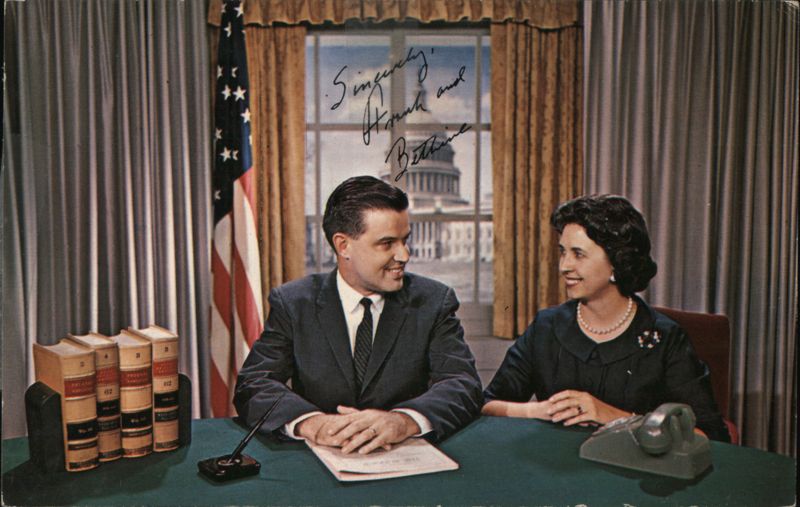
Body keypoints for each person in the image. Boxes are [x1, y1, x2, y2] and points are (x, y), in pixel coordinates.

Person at [235, 175, 483, 454]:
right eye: (387, 243)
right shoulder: (293, 303)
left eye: (405, 240)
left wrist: (404, 421)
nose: (404, 255)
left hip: (406, 462)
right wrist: (312, 424)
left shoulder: (434, 301)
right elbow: (254, 383)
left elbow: (463, 384)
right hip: (318, 464)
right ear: (343, 246)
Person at [482, 195, 730, 442]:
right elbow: (488, 404)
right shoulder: (546, 326)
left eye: (578, 254)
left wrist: (613, 416)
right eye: (563, 252)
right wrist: (537, 411)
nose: (564, 266)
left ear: (617, 262)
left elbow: (711, 435)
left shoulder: (666, 338)